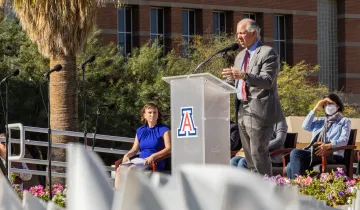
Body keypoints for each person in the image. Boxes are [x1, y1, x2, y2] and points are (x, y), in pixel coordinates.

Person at [222, 18, 284, 176]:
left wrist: (244, 75)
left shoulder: (268, 52)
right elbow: (233, 81)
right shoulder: (240, 56)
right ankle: (256, 192)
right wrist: (221, 82)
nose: (238, 37)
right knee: (249, 157)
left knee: (258, 153)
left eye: (242, 33)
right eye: (237, 34)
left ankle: (268, 188)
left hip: (259, 111)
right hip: (242, 109)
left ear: (253, 33)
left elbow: (267, 81)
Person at [286, 94, 351, 179]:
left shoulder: (344, 121)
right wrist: (315, 108)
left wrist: (328, 146)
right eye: (325, 104)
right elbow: (305, 126)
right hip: (315, 153)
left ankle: (296, 185)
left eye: (330, 104)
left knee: (295, 153)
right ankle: (299, 188)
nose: (328, 106)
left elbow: (344, 140)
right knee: (290, 165)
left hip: (332, 154)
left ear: (337, 105)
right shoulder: (320, 121)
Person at [114, 102, 171, 187]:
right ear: (144, 115)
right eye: (150, 112)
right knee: (120, 169)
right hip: (141, 160)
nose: (152, 115)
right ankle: (117, 195)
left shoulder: (163, 129)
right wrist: (127, 155)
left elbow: (169, 148)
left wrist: (153, 156)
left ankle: (130, 195)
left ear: (158, 114)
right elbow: (134, 149)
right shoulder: (140, 130)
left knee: (131, 169)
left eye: (155, 112)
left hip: (155, 161)